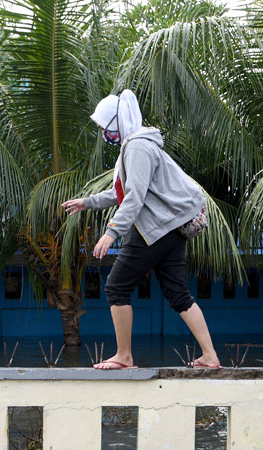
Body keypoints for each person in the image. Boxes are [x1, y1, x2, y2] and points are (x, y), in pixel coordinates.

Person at [61, 90, 220, 369]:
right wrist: (88, 203)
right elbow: (119, 192)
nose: (103, 133)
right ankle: (210, 356)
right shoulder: (136, 146)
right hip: (170, 229)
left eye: (103, 127)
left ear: (116, 122)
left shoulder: (137, 147)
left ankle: (124, 357)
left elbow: (134, 197)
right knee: (178, 294)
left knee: (116, 287)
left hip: (155, 228)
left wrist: (111, 232)